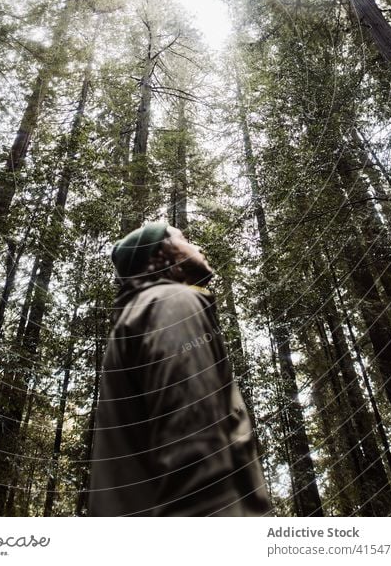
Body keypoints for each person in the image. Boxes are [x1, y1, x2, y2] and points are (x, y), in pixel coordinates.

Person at [87, 221, 271, 517]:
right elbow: (195, 449)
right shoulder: (171, 305)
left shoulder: (143, 314)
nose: (198, 247)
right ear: (161, 254)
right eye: (184, 238)